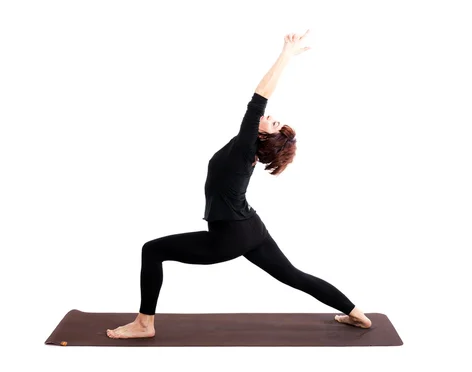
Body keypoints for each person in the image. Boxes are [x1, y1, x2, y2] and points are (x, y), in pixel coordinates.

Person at [107, 30, 372, 339]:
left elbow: (260, 96)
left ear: (262, 136)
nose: (270, 117)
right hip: (251, 229)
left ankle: (144, 324)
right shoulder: (246, 152)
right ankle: (357, 315)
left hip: (229, 236)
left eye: (272, 123)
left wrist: (286, 55)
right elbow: (259, 108)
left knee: (152, 250)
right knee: (292, 275)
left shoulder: (246, 148)